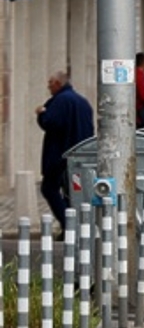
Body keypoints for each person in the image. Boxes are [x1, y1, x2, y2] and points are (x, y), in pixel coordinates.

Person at [36, 71, 94, 231]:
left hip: (60, 155)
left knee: (49, 188)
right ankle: (73, 225)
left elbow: (51, 123)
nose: (48, 86)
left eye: (50, 83)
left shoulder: (60, 101)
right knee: (72, 192)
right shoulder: (82, 102)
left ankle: (69, 224)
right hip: (80, 154)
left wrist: (41, 114)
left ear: (58, 84)